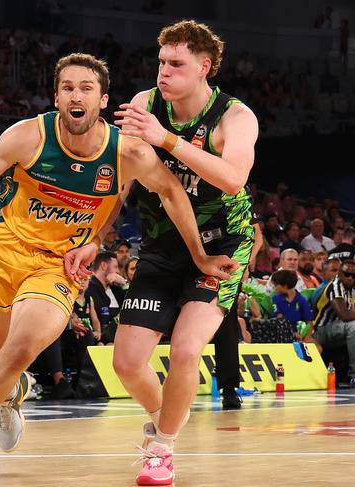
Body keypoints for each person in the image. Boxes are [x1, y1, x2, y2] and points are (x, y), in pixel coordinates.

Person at [0, 52, 234, 480]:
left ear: (102, 100)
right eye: (67, 87)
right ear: (56, 96)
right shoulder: (27, 136)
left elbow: (171, 193)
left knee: (15, 354)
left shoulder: (127, 153)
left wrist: (199, 254)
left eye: (86, 88)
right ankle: (11, 395)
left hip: (58, 267)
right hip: (4, 256)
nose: (76, 95)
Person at [79, 20, 258, 485]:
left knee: (185, 349)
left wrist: (168, 139)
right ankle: (165, 416)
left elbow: (233, 178)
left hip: (220, 246)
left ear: (205, 67)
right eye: (161, 62)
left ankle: (162, 448)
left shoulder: (235, 117)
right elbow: (123, 180)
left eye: (176, 64)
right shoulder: (144, 105)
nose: (164, 72)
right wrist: (98, 235)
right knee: (126, 362)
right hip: (162, 243)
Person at [313, 260, 355, 386]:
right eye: (347, 274)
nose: (350, 278)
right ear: (339, 274)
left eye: (354, 275)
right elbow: (344, 315)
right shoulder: (334, 286)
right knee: (354, 325)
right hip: (321, 331)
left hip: (341, 330)